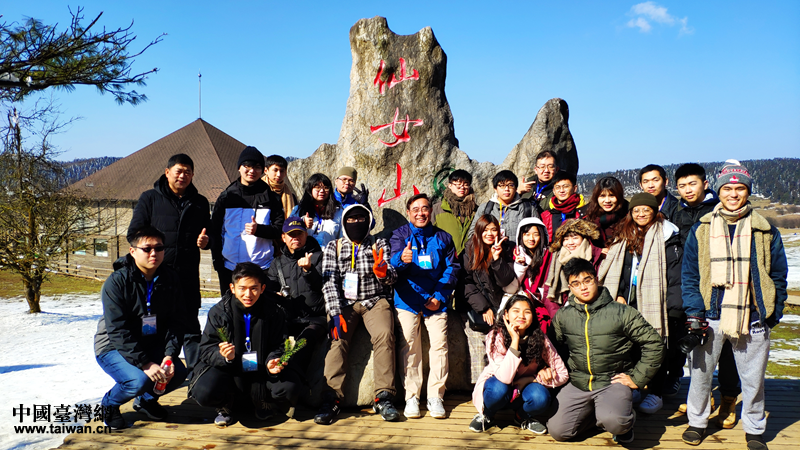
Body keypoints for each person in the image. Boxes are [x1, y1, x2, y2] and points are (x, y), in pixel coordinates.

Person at [681, 161, 787, 450]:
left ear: (748, 192)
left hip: (751, 316)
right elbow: (690, 275)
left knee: (753, 380)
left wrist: (772, 313)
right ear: (719, 191)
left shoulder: (765, 230)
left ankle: (754, 429)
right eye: (727, 188)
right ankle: (697, 422)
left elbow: (778, 275)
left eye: (740, 188)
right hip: (710, 315)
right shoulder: (702, 230)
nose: (733, 193)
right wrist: (695, 313)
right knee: (701, 375)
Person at [547, 258, 664, 444]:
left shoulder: (622, 312)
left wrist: (637, 378)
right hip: (578, 381)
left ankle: (623, 421)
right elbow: (552, 348)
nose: (583, 287)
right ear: (570, 287)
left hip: (612, 381)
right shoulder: (563, 316)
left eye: (587, 280)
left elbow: (654, 343)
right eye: (576, 283)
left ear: (596, 279)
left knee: (616, 422)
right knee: (558, 431)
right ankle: (600, 416)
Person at [94, 226, 188, 429]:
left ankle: (146, 401)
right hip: (113, 345)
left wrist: (169, 355)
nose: (154, 253)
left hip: (150, 343)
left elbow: (177, 321)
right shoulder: (117, 282)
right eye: (147, 249)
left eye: (159, 248)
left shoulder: (170, 278)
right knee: (138, 381)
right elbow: (117, 330)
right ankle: (109, 404)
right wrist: (145, 363)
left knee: (178, 372)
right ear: (133, 251)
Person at [597, 192, 683, 414]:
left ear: (655, 212)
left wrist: (673, 307)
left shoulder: (667, 235)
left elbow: (674, 276)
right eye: (636, 210)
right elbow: (619, 267)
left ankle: (656, 392)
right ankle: (634, 384)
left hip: (656, 298)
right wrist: (618, 294)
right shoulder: (625, 234)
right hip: (629, 296)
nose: (641, 214)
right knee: (629, 343)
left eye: (646, 210)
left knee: (655, 342)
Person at [127, 154, 210, 377]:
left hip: (187, 274)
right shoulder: (150, 199)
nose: (183, 176)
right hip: (157, 276)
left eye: (188, 172)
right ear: (167, 172)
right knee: (155, 326)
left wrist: (206, 241)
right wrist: (152, 248)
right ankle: (153, 376)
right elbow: (133, 233)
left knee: (190, 327)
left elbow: (209, 234)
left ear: (193, 175)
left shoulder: (200, 202)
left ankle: (197, 378)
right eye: (178, 171)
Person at [315, 204, 399, 424]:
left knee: (384, 335)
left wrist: (383, 272)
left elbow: (392, 276)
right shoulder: (334, 246)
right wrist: (335, 313)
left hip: (374, 300)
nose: (356, 223)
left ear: (369, 221)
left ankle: (384, 396)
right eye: (351, 220)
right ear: (344, 223)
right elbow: (329, 282)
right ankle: (331, 397)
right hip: (345, 303)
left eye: (361, 218)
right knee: (337, 338)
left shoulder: (379, 243)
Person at [189, 263, 301, 427]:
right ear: (232, 288)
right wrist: (224, 357)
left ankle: (263, 401)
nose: (248, 294)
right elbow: (206, 349)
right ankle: (225, 406)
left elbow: (281, 343)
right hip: (229, 371)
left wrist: (273, 360)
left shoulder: (274, 311)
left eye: (254, 288)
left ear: (262, 288)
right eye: (242, 288)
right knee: (205, 391)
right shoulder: (219, 312)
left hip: (262, 369)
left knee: (289, 387)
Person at [673, 162, 739, 426]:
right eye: (682, 186)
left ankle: (728, 399)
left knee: (728, 352)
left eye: (693, 184)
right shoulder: (677, 212)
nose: (688, 190)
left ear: (705, 184)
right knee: (699, 349)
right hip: (691, 287)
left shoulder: (718, 210)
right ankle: (703, 398)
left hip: (723, 291)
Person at [390, 193, 459, 419]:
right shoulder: (400, 235)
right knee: (409, 346)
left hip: (435, 299)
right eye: (415, 209)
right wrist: (402, 259)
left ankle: (435, 396)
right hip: (407, 299)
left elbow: (452, 268)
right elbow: (391, 263)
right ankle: (412, 396)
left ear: (431, 211)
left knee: (439, 345)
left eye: (425, 208)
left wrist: (439, 296)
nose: (420, 213)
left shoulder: (443, 237)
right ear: (408, 212)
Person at [469, 295, 569, 434]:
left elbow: (563, 374)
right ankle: (488, 414)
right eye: (516, 311)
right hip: (499, 387)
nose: (521, 316)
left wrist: (532, 379)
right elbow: (504, 378)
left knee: (540, 398)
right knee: (498, 389)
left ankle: (522, 417)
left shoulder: (540, 339)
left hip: (524, 390)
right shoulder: (495, 336)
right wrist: (515, 340)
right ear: (506, 315)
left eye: (527, 312)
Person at [210, 146, 285, 295]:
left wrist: (259, 230)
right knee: (230, 308)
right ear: (239, 168)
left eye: (257, 167)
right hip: (230, 268)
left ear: (262, 170)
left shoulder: (271, 197)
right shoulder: (227, 196)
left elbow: (280, 229)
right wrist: (218, 263)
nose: (252, 171)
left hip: (262, 268)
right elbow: (215, 231)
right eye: (247, 166)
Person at [265, 217, 326, 374]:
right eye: (291, 235)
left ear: (306, 234)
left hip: (315, 319)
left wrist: (309, 271)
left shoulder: (319, 256)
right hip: (288, 320)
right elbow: (269, 290)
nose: (295, 238)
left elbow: (323, 286)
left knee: (301, 346)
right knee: (275, 346)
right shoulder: (277, 263)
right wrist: (275, 294)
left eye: (299, 233)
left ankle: (296, 381)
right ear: (283, 237)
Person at [462, 214, 517, 382]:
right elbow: (466, 283)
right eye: (485, 230)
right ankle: (480, 385)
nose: (490, 234)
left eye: (494, 230)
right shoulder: (469, 251)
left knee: (502, 346)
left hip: (502, 305)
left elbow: (506, 280)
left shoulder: (506, 249)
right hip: (478, 308)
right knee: (479, 348)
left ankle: (502, 382)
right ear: (478, 231)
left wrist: (497, 259)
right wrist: (483, 307)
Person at [511, 218, 556, 336]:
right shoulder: (514, 254)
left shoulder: (549, 255)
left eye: (536, 234)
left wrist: (540, 294)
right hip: (521, 298)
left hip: (544, 300)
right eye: (527, 234)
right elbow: (512, 286)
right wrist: (520, 266)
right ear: (521, 236)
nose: (531, 238)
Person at [468, 170, 539, 244]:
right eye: (502, 185)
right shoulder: (485, 208)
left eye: (510, 185)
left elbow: (538, 233)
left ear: (516, 188)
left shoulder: (528, 208)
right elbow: (472, 234)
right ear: (495, 189)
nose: (506, 189)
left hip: (518, 251)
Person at [544, 219, 604, 305]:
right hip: (563, 309)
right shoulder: (557, 258)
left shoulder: (596, 256)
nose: (570, 243)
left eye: (575, 238)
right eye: (566, 239)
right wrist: (558, 313)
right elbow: (547, 293)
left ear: (584, 238)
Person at [431, 169, 478, 256]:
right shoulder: (437, 209)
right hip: (444, 258)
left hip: (469, 258)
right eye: (458, 184)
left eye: (466, 184)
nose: (462, 187)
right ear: (450, 185)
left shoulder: (475, 210)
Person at [290, 173, 343, 247]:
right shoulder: (299, 210)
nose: (322, 191)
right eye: (317, 187)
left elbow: (342, 239)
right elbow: (288, 230)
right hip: (304, 252)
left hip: (329, 252)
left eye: (326, 188)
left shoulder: (339, 211)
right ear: (310, 189)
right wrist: (302, 222)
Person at [539, 170, 585, 243]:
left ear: (575, 188)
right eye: (558, 187)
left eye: (565, 186)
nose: (561, 190)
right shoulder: (546, 215)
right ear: (554, 191)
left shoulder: (584, 212)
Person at [582, 176, 629, 247]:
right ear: (596, 197)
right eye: (602, 196)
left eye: (612, 195)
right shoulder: (586, 217)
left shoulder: (629, 215)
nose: (607, 201)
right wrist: (599, 251)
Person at [262, 154, 298, 219]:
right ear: (266, 171)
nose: (278, 174)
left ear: (285, 173)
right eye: (275, 170)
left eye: (282, 171)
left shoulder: (291, 197)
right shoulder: (258, 192)